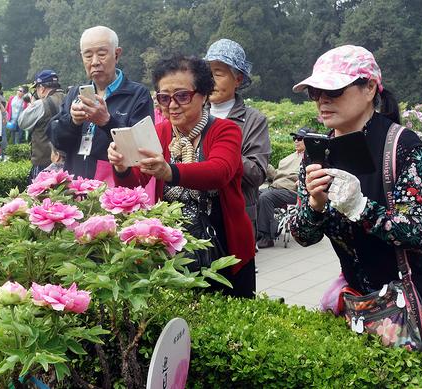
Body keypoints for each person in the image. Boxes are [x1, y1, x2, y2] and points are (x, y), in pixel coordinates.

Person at [289, 45, 422, 385]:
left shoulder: (403, 148)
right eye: (316, 92)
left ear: (369, 89)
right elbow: (303, 235)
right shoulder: (319, 152)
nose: (322, 100)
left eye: (333, 90)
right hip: (366, 307)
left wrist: (361, 208)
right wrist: (316, 206)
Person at [108, 55, 256, 298]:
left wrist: (170, 171)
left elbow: (220, 172)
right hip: (174, 249)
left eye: (182, 96)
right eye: (164, 98)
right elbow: (136, 181)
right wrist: (122, 167)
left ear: (204, 94)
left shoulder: (225, 130)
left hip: (223, 246)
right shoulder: (160, 131)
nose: (172, 105)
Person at [48, 25, 153, 181]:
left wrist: (107, 122)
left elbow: (140, 151)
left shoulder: (137, 95)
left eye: (102, 54)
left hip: (115, 191)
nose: (95, 62)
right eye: (88, 55)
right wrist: (73, 122)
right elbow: (58, 142)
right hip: (76, 188)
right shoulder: (75, 93)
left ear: (117, 54)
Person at [204, 39, 271, 237]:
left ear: (238, 79)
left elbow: (257, 174)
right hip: (198, 216)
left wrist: (223, 151)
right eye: (208, 73)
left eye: (218, 73)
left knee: (237, 268)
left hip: (236, 216)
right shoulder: (195, 115)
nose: (211, 80)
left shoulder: (253, 120)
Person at [256, 127, 310, 248]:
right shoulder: (289, 158)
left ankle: (267, 237)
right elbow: (276, 175)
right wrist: (265, 165)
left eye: (300, 138)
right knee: (254, 194)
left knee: (266, 197)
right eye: (295, 138)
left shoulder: (310, 158)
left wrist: (303, 180)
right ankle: (257, 232)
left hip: (293, 192)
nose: (296, 141)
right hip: (276, 187)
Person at [18, 70, 65, 181]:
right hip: (66, 162)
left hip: (43, 162)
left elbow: (22, 122)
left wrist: (32, 104)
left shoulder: (41, 104)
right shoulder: (69, 98)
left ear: (42, 88)